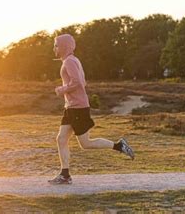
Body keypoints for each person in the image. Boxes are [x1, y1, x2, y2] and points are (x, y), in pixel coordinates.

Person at [48, 34, 135, 185]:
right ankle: (65, 174)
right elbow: (82, 81)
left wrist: (62, 90)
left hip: (78, 108)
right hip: (71, 107)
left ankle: (119, 146)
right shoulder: (71, 60)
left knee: (85, 143)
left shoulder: (69, 61)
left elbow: (79, 82)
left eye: (56, 45)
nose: (54, 48)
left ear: (64, 46)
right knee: (61, 139)